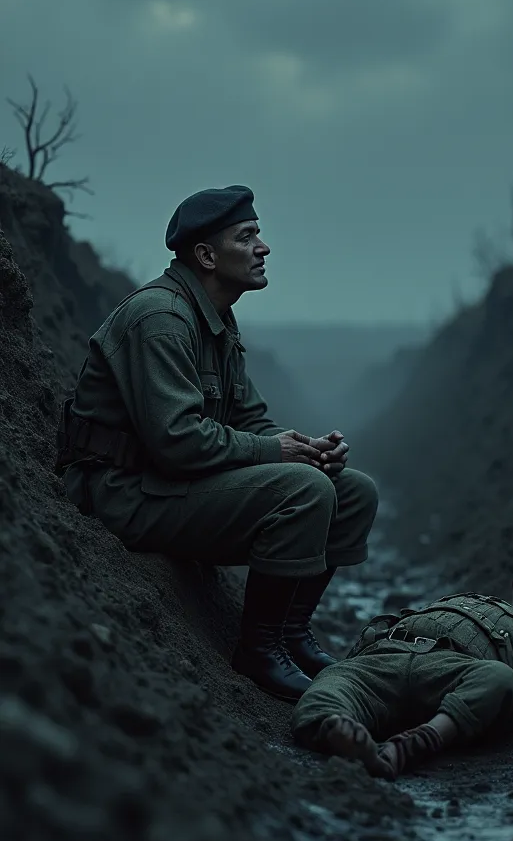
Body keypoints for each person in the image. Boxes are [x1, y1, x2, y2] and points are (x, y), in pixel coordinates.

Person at [55, 185, 379, 702]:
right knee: (304, 490)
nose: (264, 247)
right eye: (247, 236)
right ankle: (259, 649)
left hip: (167, 485)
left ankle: (291, 634)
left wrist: (307, 448)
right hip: (120, 493)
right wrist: (281, 455)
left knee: (352, 489)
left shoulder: (216, 320)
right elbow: (179, 443)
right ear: (206, 255)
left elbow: (251, 420)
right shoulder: (160, 318)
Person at [291, 560, 513, 779]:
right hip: (383, 659)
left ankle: (411, 745)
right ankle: (341, 731)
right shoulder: (485, 600)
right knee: (333, 680)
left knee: (500, 678)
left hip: (452, 674)